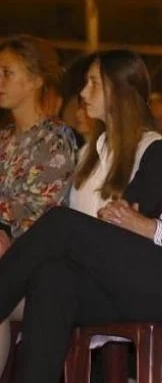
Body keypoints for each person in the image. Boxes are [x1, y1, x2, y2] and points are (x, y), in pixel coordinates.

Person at [0, 44, 162, 382]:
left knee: (62, 224)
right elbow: (129, 212)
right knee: (54, 275)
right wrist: (121, 218)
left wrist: (154, 229)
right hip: (134, 272)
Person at [0, 35, 77, 374]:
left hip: (31, 268)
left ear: (34, 80)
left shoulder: (56, 138)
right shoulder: (3, 138)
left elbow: (43, 213)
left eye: (7, 72)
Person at [70, 49, 162, 217]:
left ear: (121, 89)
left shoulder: (151, 149)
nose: (83, 93)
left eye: (94, 83)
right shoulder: (87, 153)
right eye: (86, 83)